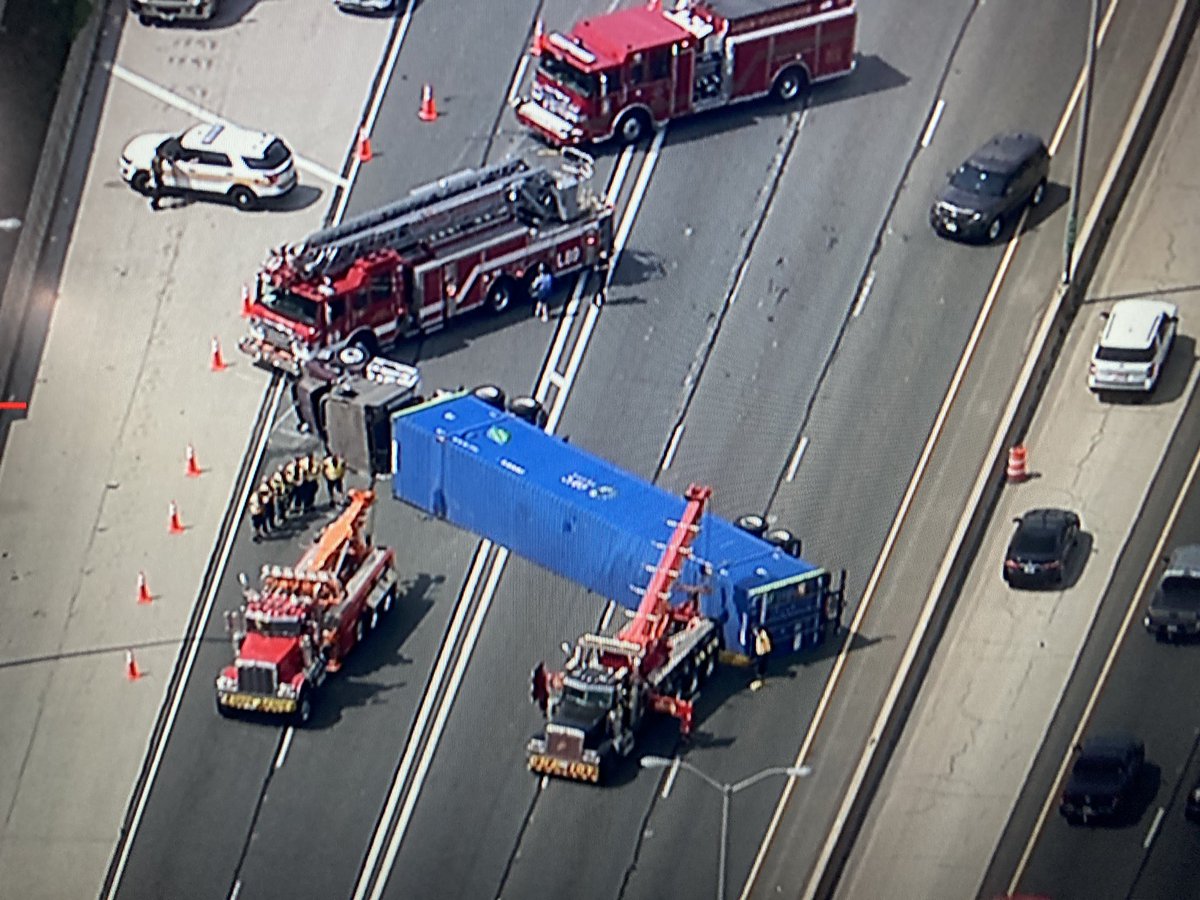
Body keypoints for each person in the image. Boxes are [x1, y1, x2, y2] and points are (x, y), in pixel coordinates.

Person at [750, 624, 772, 691]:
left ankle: (761, 674)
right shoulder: (754, 636)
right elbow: (753, 646)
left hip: (763, 652)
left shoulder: (763, 634)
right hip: (759, 652)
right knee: (759, 664)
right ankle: (759, 674)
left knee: (762, 663)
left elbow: (766, 642)